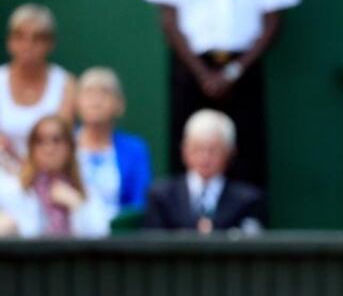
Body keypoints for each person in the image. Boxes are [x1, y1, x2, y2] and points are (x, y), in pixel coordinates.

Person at [142, 0, 302, 190]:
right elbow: (169, 21)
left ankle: (248, 229)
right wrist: (202, 73)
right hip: (192, 69)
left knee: (248, 151)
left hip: (243, 70)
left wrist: (234, 71)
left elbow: (273, 23)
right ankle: (188, 229)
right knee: (188, 147)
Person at [144, 109, 265, 233]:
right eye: (197, 149)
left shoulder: (248, 200)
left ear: (230, 152)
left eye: (213, 150)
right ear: (184, 150)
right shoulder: (161, 197)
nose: (205, 157)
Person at [0, 115, 109, 238]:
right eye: (40, 142)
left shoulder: (86, 192)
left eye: (57, 141)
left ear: (70, 147)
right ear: (31, 149)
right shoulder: (12, 190)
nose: (49, 149)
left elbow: (100, 238)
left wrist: (77, 205)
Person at [0, 4, 76, 172]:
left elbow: (60, 139)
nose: (28, 45)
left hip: (49, 176)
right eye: (20, 36)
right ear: (9, 42)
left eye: (38, 38)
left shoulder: (66, 84)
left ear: (51, 43)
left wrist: (29, 171)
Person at [75, 67, 153, 223]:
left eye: (104, 92)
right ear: (77, 102)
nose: (95, 100)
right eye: (88, 92)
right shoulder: (61, 143)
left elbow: (140, 203)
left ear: (120, 104)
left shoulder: (135, 150)